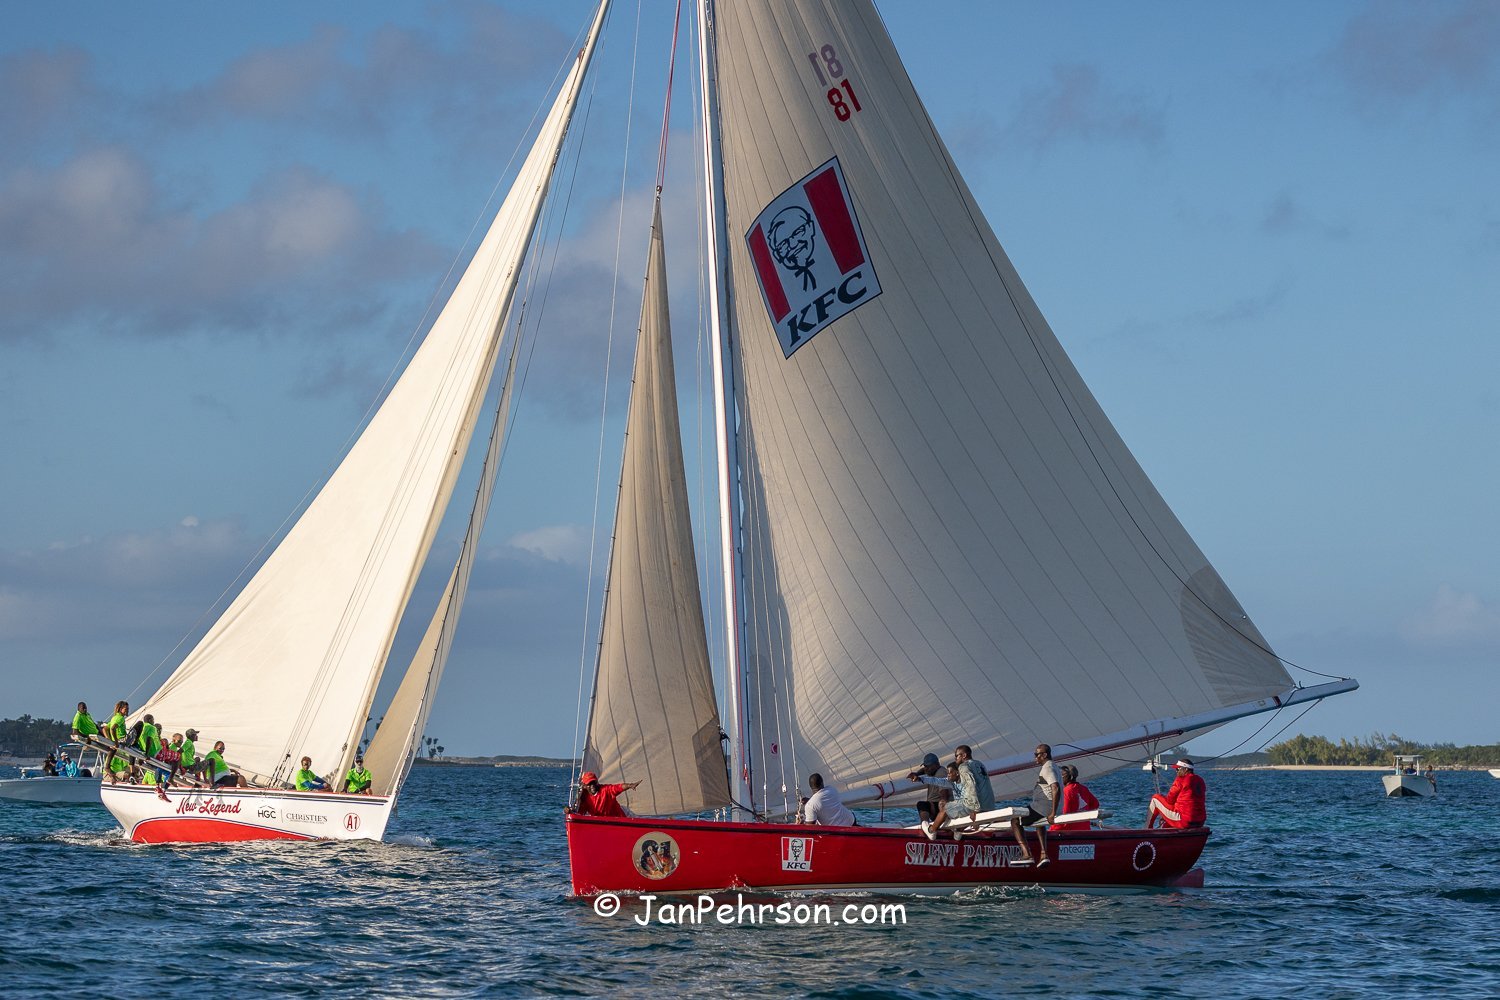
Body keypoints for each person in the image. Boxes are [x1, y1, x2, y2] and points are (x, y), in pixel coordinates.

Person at [1009, 744, 1059, 866]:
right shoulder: (1053, 766)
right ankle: (1044, 855)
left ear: (1044, 755)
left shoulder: (1047, 768)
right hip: (1044, 808)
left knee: (1015, 820)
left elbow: (1055, 788)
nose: (1035, 757)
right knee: (1039, 822)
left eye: (1037, 755)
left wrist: (1053, 812)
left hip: (1045, 807)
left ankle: (1027, 854)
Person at [1145, 758, 1206, 829]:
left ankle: (1147, 829)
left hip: (1184, 820)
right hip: (1200, 821)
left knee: (1155, 798)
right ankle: (1165, 828)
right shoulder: (1200, 780)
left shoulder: (1181, 779)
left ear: (1186, 769)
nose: (1176, 771)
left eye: (1178, 769)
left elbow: (1170, 800)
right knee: (1167, 821)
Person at [1049, 765, 1100, 832]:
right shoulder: (1084, 789)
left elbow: (1064, 814)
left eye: (1061, 775)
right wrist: (1082, 812)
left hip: (1068, 831)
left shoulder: (1066, 791)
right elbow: (1095, 804)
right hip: (1085, 829)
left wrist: (1051, 830)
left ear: (1068, 777)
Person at [906, 751, 951, 825]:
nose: (926, 769)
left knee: (922, 805)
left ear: (937, 764)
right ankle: (926, 824)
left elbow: (944, 795)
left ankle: (925, 825)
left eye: (928, 766)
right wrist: (917, 774)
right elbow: (923, 770)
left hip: (939, 808)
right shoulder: (932, 770)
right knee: (925, 804)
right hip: (935, 806)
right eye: (925, 766)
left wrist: (942, 814)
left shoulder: (941, 774)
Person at [574, 772, 640, 817]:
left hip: (620, 817)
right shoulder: (584, 797)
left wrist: (630, 785)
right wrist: (570, 812)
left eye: (594, 782)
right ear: (584, 786)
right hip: (603, 822)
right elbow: (580, 813)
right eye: (589, 784)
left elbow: (618, 787)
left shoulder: (605, 790)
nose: (592, 785)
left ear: (597, 782)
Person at [103, 700, 132, 784]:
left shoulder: (114, 717)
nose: (127, 710)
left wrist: (109, 740)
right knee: (136, 732)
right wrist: (115, 742)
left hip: (119, 741)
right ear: (120, 709)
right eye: (126, 709)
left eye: (128, 709)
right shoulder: (120, 718)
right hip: (121, 740)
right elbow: (112, 729)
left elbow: (105, 729)